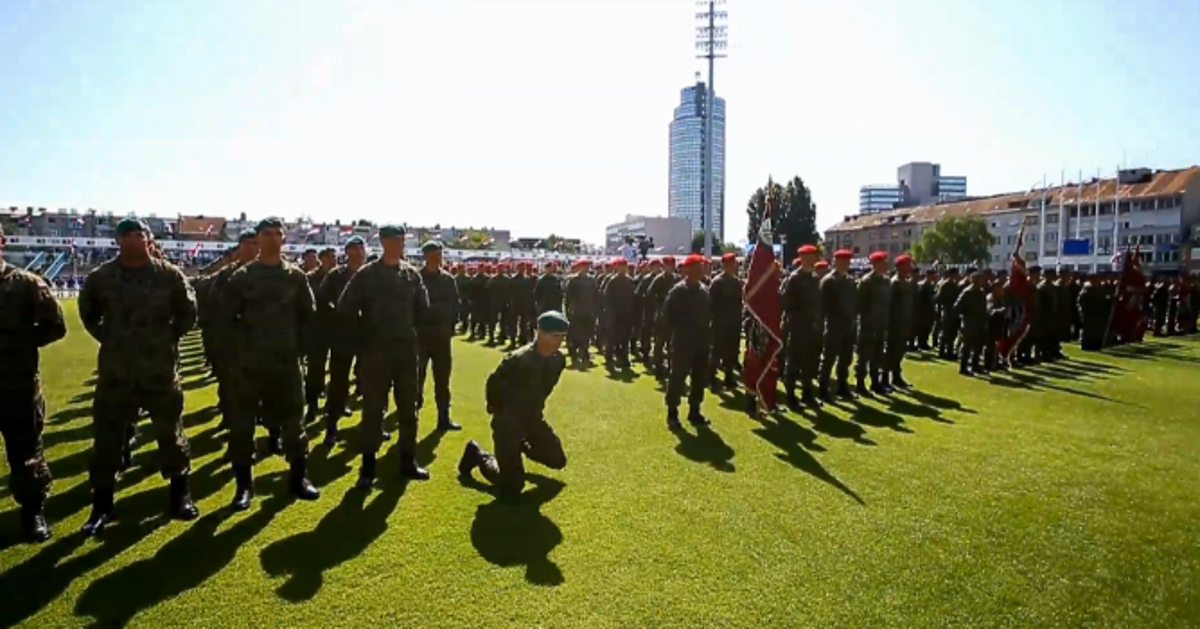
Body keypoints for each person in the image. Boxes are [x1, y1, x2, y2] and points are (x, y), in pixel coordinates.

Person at [78, 218, 200, 536]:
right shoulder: (101, 277)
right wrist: (110, 337)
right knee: (107, 441)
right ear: (118, 241)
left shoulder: (169, 275)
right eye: (127, 235)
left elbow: (188, 312)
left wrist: (166, 338)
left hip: (159, 371)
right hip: (117, 373)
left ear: (148, 239)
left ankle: (180, 496)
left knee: (171, 436)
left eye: (140, 234)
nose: (134, 239)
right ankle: (101, 506)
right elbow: (88, 313)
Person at [220, 217, 321, 511]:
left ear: (284, 238)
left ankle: (298, 479)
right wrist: (240, 353)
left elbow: (308, 316)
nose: (274, 238)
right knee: (242, 427)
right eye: (268, 233)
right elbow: (225, 320)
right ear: (258, 239)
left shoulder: (295, 277)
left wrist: (296, 350)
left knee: (294, 424)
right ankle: (243, 487)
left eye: (279, 233)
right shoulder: (242, 277)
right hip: (249, 366)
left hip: (286, 364)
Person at [338, 224, 431, 487]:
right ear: (382, 242)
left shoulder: (411, 275)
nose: (398, 244)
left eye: (401, 240)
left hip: (405, 353)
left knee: (408, 412)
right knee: (373, 412)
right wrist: (364, 338)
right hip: (375, 354)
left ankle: (407, 461)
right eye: (393, 240)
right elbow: (346, 309)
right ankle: (367, 469)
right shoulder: (367, 275)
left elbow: (423, 311)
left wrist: (416, 338)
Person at [0, 224, 67, 542]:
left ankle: (33, 511)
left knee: (26, 452)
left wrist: (21, 346)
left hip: (18, 385)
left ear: (2, 241)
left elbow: (56, 325)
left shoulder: (26, 284)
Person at [458, 311, 570, 496]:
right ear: (541, 333)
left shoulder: (558, 360)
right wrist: (498, 413)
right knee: (512, 488)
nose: (559, 341)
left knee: (557, 460)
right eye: (555, 336)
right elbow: (493, 383)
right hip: (508, 421)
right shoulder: (519, 360)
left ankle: (519, 446)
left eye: (562, 337)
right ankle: (478, 454)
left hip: (532, 418)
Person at [416, 240, 462, 431]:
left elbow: (455, 305)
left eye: (440, 254)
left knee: (442, 381)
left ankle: (443, 418)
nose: (438, 258)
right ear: (426, 256)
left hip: (442, 339)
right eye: (435, 254)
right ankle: (412, 415)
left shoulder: (448, 280)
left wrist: (451, 326)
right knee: (416, 379)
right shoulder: (416, 278)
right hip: (421, 338)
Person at [663, 254, 712, 429]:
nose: (703, 270)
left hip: (701, 341)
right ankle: (672, 413)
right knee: (678, 376)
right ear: (689, 270)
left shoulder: (705, 290)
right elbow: (668, 317)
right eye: (699, 267)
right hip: (683, 341)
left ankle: (694, 410)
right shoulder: (678, 291)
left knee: (699, 378)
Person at [782, 245, 823, 409]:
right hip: (797, 326)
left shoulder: (814, 278)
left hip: (811, 326)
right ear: (804, 258)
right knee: (794, 362)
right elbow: (785, 301)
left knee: (809, 362)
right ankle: (791, 396)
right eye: (812, 256)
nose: (815, 259)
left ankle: (807, 394)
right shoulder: (794, 278)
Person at [819, 250, 857, 401]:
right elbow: (823, 306)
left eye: (848, 262)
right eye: (843, 261)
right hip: (834, 325)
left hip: (848, 325)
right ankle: (823, 389)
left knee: (845, 358)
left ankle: (842, 386)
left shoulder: (850, 281)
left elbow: (854, 302)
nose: (846, 265)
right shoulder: (829, 281)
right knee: (829, 359)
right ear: (836, 262)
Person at [708, 253, 744, 392]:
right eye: (732, 263)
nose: (735, 266)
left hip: (734, 322)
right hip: (720, 322)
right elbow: (711, 303)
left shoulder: (736, 282)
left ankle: (729, 378)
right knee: (717, 351)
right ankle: (711, 378)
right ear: (726, 265)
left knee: (732, 351)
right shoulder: (717, 282)